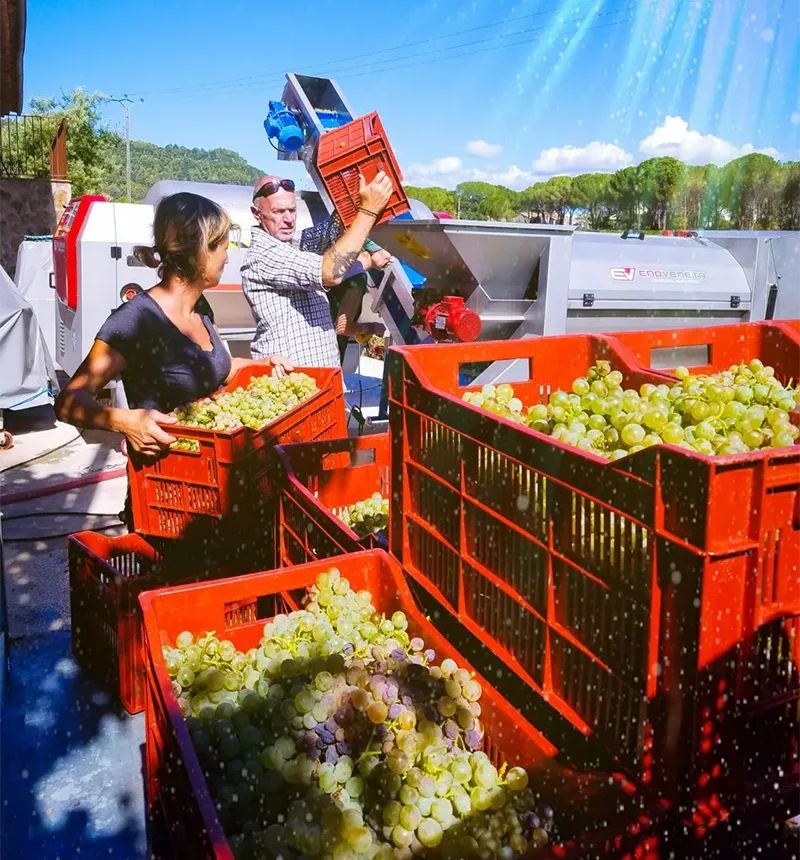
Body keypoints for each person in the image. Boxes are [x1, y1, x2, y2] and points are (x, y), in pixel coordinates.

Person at [55, 192, 293, 463]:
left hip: (210, 469)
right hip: (165, 478)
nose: (227, 258)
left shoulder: (200, 308)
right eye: (223, 248)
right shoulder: (136, 320)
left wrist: (261, 364)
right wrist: (124, 421)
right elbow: (68, 402)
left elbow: (220, 368)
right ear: (198, 250)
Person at [241, 172, 394, 368]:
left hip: (319, 377)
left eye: (292, 210)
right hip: (291, 383)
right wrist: (368, 211)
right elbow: (330, 272)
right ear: (257, 214)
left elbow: (333, 227)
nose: (288, 219)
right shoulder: (263, 254)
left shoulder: (292, 242)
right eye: (278, 212)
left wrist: (353, 196)